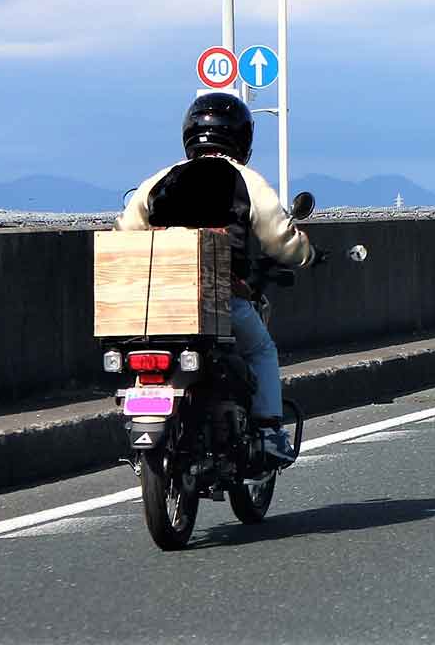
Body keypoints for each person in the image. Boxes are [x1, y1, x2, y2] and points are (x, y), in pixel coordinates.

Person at [116, 91, 317, 463]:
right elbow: (279, 239)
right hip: (222, 301)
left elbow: (125, 233)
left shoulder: (160, 179)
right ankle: (271, 430)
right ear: (242, 138)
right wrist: (307, 254)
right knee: (261, 350)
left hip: (155, 306)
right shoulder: (245, 180)